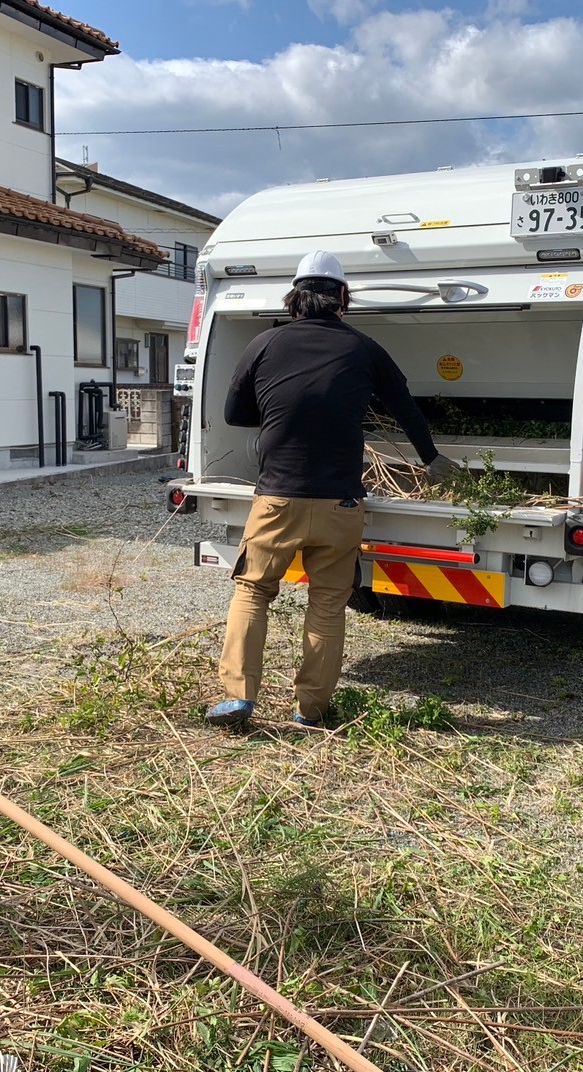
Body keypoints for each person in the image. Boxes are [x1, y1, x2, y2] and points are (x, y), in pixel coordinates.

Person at [206, 249, 456, 728]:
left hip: (278, 499)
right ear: (343, 297)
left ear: (294, 297)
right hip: (341, 502)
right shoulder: (365, 349)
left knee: (253, 591)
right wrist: (431, 460)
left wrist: (282, 409)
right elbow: (405, 407)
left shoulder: (264, 344)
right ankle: (311, 710)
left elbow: (235, 414)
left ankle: (238, 697)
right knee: (327, 603)